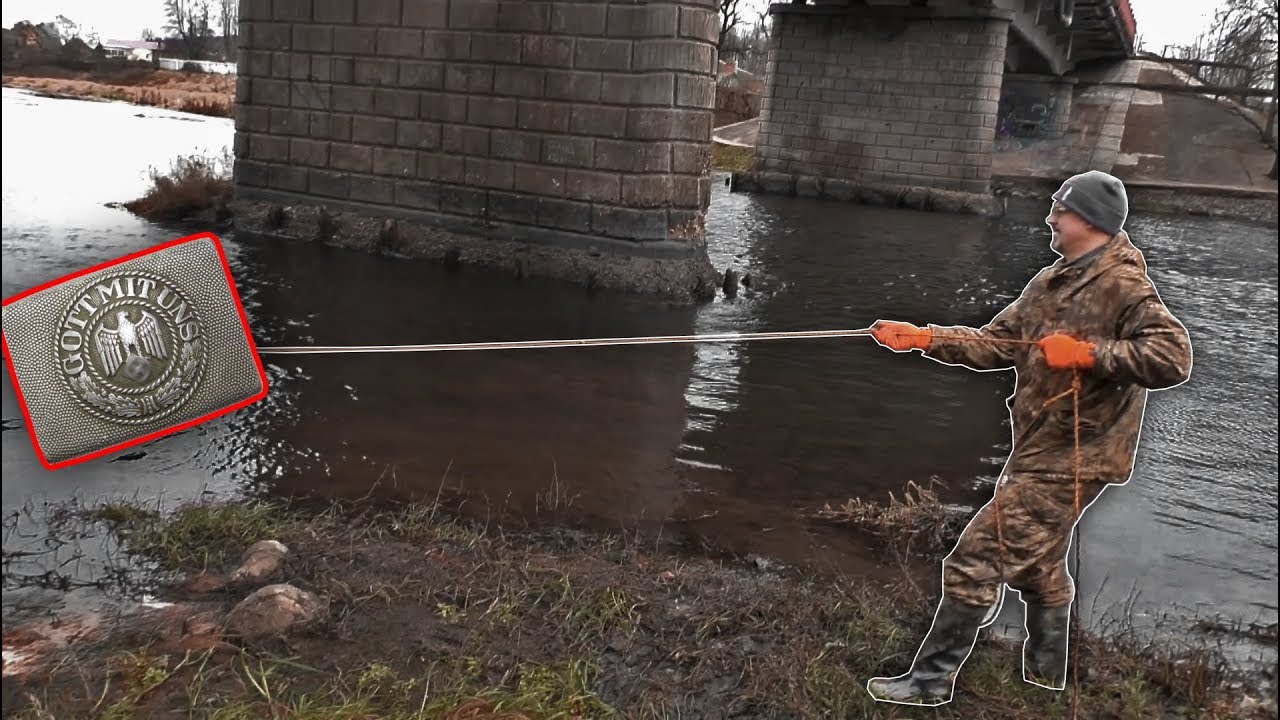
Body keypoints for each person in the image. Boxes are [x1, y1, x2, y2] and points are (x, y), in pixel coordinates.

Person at [863, 170, 1194, 706]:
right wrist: (924, 337)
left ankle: (929, 682)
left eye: (1058, 210)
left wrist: (1090, 355)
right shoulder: (1048, 283)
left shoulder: (1125, 287)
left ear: (1088, 220)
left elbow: (1173, 358)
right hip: (1038, 447)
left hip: (1079, 457)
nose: (1050, 219)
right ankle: (1045, 677)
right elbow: (997, 344)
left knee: (973, 559)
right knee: (1039, 569)